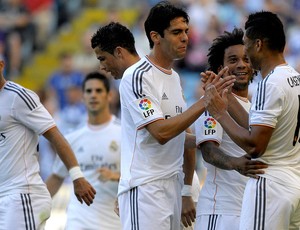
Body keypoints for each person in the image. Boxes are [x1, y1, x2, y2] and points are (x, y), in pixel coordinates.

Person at [91, 2, 235, 229]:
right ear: (155, 37)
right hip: (146, 189)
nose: (185, 38)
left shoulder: (174, 78)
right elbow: (161, 132)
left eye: (186, 31)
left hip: (173, 186)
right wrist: (204, 102)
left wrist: (218, 139)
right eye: (177, 32)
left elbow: (181, 136)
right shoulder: (136, 76)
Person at [204, 11, 300, 229]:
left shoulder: (271, 83)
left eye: (246, 45)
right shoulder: (294, 77)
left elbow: (255, 145)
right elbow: (258, 127)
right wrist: (226, 96)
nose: (245, 51)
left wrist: (220, 114)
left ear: (258, 44)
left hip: (270, 185)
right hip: (293, 184)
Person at [0, 59, 96, 230]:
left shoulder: (18, 96)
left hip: (21, 195)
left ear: (1, 65)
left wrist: (76, 176)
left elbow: (55, 136)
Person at [194, 28, 267, 230]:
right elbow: (208, 151)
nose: (242, 65)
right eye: (233, 60)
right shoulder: (212, 101)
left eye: (246, 59)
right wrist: (236, 163)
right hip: (220, 211)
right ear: (221, 67)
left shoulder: (254, 108)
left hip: (250, 209)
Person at [46, 72, 122, 229]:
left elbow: (138, 176)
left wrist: (116, 176)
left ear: (110, 96)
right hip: (78, 220)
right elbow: (56, 177)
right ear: (83, 97)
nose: (93, 95)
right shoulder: (72, 138)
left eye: (99, 91)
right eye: (88, 91)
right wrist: (34, 205)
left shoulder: (124, 134)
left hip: (114, 221)